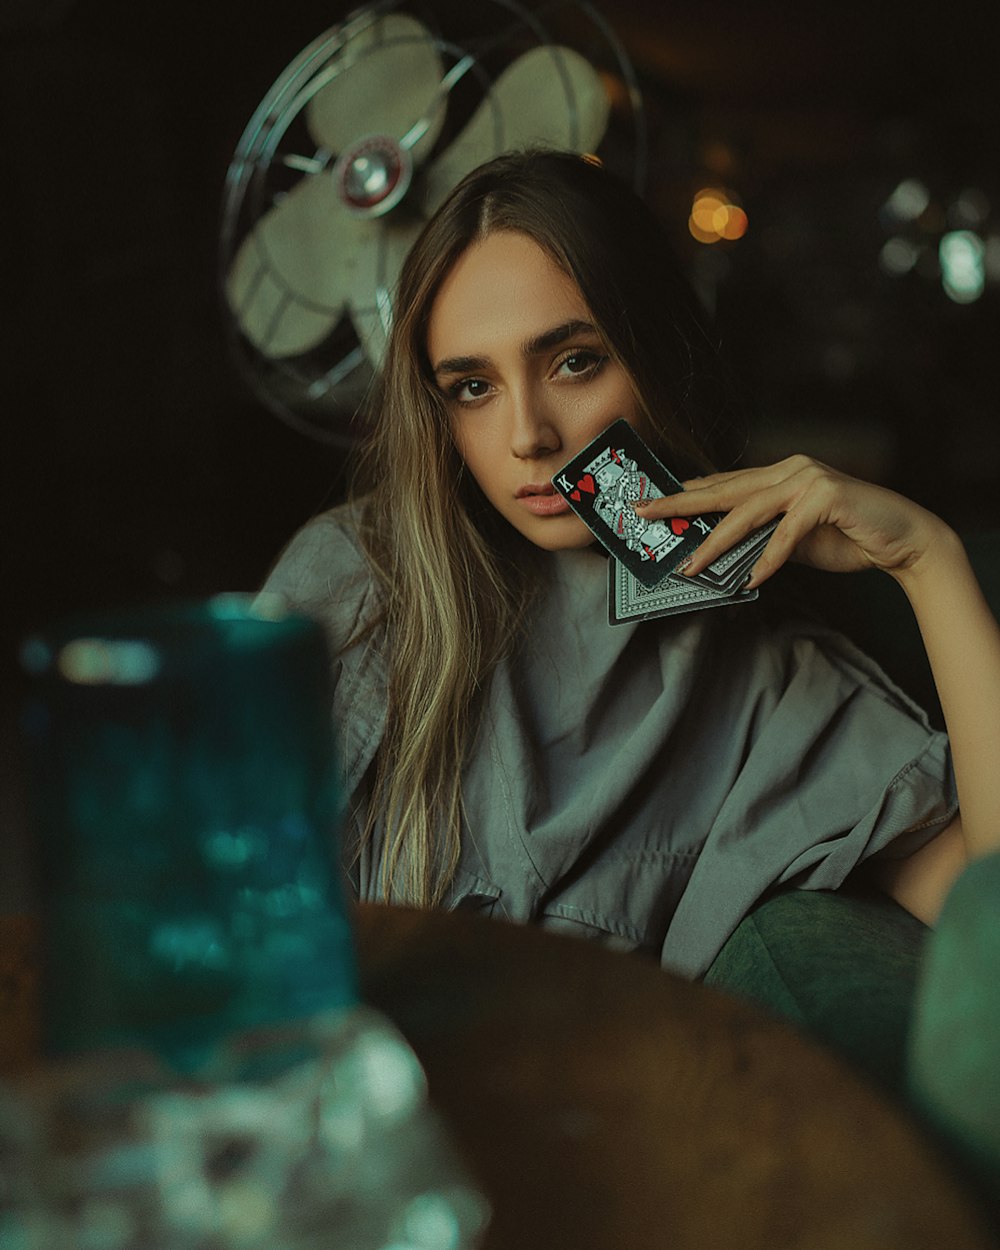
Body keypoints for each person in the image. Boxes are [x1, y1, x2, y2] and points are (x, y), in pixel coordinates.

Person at [259, 148, 1000, 980]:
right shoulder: (353, 572)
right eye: (474, 386)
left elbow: (992, 905)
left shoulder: (772, 684)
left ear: (655, 357)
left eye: (574, 361)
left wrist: (927, 559)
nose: (527, 435)